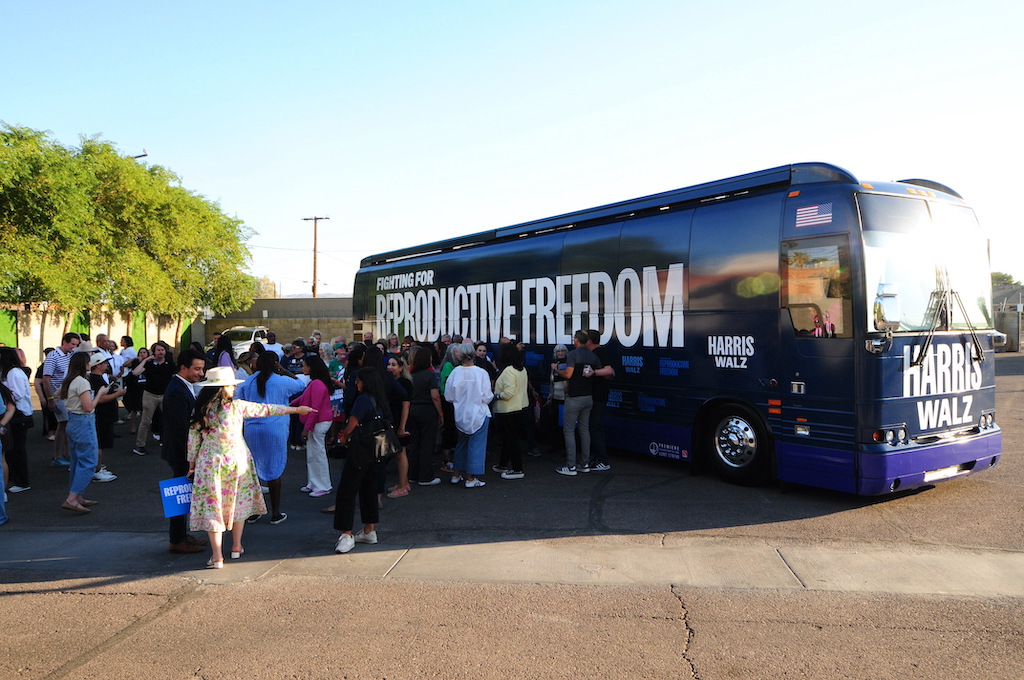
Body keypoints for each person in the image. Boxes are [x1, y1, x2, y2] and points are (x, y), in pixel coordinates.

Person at [187, 366, 315, 568]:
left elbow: (193, 439)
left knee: (213, 506)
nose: (234, 389)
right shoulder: (236, 406)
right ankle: (237, 547)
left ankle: (217, 556)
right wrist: (296, 410)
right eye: (231, 385)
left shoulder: (201, 410)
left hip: (210, 462)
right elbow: (267, 409)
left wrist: (192, 464)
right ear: (224, 388)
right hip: (238, 459)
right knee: (239, 500)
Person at [236, 352, 303, 523]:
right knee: (275, 469)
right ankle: (276, 512)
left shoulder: (248, 382)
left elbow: (238, 401)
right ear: (275, 364)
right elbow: (300, 385)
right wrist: (284, 370)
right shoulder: (282, 380)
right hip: (275, 428)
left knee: (252, 470)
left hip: (252, 428)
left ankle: (253, 511)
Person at [332, 366, 389, 554]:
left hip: (359, 449)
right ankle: (369, 529)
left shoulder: (362, 400)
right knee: (369, 489)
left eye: (358, 380)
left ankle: (346, 534)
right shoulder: (379, 399)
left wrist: (343, 438)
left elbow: (352, 424)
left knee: (347, 491)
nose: (356, 383)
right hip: (375, 450)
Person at [162, 348, 209, 555]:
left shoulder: (183, 386)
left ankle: (181, 535)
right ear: (183, 368)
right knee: (179, 494)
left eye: (202, 369)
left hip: (182, 450)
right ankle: (177, 539)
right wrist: (192, 457)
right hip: (180, 451)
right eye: (197, 369)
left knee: (183, 495)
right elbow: (181, 429)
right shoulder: (176, 391)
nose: (201, 373)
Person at [59, 351, 109, 514]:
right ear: (84, 364)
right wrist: (100, 393)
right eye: (88, 362)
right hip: (83, 422)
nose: (90, 364)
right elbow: (88, 407)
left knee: (76, 461)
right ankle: (73, 498)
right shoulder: (82, 382)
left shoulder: (70, 380)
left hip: (72, 421)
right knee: (89, 461)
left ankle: (77, 495)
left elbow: (57, 394)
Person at [444, 342, 493, 488]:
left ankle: (456, 474)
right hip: (479, 413)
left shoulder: (455, 372)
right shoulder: (481, 373)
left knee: (461, 444)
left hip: (460, 414)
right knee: (476, 446)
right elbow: (487, 396)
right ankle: (471, 478)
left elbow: (448, 396)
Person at [554, 331, 602, 476]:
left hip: (574, 397)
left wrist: (557, 370)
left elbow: (568, 374)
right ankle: (585, 464)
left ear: (576, 340)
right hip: (588, 397)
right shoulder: (593, 356)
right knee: (584, 430)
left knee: (569, 431)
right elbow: (598, 371)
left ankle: (571, 466)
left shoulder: (573, 355)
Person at [292, 355, 336, 498]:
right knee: (313, 453)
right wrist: (288, 405)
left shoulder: (316, 383)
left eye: (304, 365)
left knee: (317, 453)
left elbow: (314, 408)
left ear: (311, 367)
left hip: (319, 422)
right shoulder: (316, 383)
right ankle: (314, 482)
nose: (302, 368)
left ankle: (323, 485)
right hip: (318, 421)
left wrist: (306, 428)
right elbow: (303, 398)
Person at [42, 332, 82, 467]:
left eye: (76, 345)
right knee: (63, 424)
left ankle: (67, 454)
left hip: (68, 395)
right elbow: (46, 379)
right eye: (72, 344)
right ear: (64, 342)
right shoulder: (53, 357)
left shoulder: (70, 355)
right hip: (58, 396)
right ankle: (58, 456)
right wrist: (50, 399)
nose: (74, 347)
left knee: (66, 425)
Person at [492, 342, 529, 480]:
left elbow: (508, 393)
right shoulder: (522, 369)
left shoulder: (508, 371)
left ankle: (517, 468)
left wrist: (496, 395)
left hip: (507, 409)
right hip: (520, 407)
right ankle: (502, 464)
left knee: (510, 440)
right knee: (510, 438)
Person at [407, 345, 443, 487]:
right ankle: (425, 476)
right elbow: (435, 396)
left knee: (415, 443)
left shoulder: (411, 376)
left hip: (413, 409)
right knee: (427, 443)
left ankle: (413, 474)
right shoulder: (430, 375)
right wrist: (440, 413)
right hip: (427, 410)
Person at [86, 352, 123, 484]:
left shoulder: (99, 377)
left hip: (105, 415)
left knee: (101, 442)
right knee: (99, 443)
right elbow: (100, 398)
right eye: (104, 363)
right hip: (101, 416)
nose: (107, 365)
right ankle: (96, 470)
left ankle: (98, 467)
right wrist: (118, 393)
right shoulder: (95, 379)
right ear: (98, 365)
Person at [131, 341, 174, 456]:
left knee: (169, 419)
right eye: (158, 350)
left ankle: (168, 442)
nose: (160, 352)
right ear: (154, 352)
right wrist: (145, 360)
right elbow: (135, 373)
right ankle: (140, 445)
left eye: (162, 350)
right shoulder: (149, 364)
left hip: (165, 394)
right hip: (150, 394)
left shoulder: (169, 363)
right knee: (145, 421)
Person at [1, 347, 33, 493]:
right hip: (14, 414)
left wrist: (6, 397)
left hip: (19, 415)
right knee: (11, 449)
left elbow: (18, 394)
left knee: (17, 450)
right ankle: (14, 476)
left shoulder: (14, 373)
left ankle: (22, 481)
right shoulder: (8, 373)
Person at [586, 329, 616, 472]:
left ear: (590, 341)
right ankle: (598, 457)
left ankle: (603, 460)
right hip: (595, 396)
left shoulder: (599, 353)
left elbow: (610, 371)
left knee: (595, 427)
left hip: (599, 397)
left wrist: (594, 373)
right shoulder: (594, 354)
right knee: (595, 427)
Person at [384, 354, 413, 498]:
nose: (390, 367)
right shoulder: (391, 382)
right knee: (398, 454)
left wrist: (402, 426)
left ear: (401, 367)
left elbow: (406, 406)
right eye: (389, 364)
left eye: (394, 365)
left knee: (400, 453)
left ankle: (403, 487)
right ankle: (403, 483)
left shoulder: (405, 383)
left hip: (401, 421)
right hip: (394, 421)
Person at [121, 347, 149, 436]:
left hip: (145, 387)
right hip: (135, 387)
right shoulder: (135, 362)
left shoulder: (150, 363)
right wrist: (134, 359)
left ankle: (143, 427)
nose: (142, 354)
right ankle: (133, 427)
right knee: (134, 408)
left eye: (144, 352)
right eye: (140, 352)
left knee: (144, 409)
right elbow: (125, 365)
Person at [0, 381, 16, 525]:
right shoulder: (3, 388)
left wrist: (1, 424)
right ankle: (3, 490)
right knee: (2, 459)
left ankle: (3, 490)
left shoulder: (2, 389)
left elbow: (10, 408)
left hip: (2, 427)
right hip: (3, 427)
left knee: (2, 459)